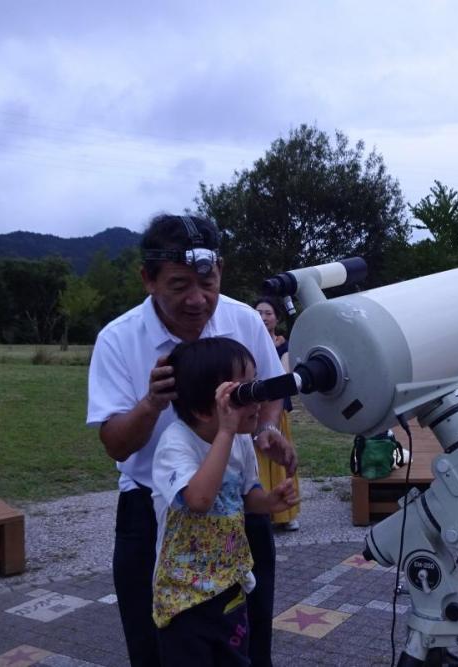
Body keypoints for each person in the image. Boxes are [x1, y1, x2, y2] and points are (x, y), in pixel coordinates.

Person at [87, 213, 295, 667]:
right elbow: (116, 445)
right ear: (148, 278)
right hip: (153, 514)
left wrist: (264, 430)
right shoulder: (119, 340)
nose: (199, 300)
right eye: (180, 285)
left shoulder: (243, 319)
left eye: (209, 281)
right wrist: (149, 405)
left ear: (220, 269)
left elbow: (273, 390)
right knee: (154, 646)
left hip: (236, 511)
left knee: (249, 641)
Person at [152, 337, 298, 665]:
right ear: (205, 408)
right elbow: (199, 500)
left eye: (255, 387)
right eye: (242, 394)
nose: (256, 401)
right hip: (184, 599)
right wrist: (226, 433)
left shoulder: (239, 441)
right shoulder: (175, 446)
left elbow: (245, 498)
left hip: (229, 587)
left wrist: (269, 501)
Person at [252, 297, 301, 531]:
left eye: (268, 313)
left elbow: (283, 374)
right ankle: (261, 511)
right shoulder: (247, 341)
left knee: (279, 460)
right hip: (252, 411)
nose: (262, 317)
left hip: (276, 412)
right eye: (258, 312)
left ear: (277, 318)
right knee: (257, 463)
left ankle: (286, 513)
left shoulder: (284, 345)